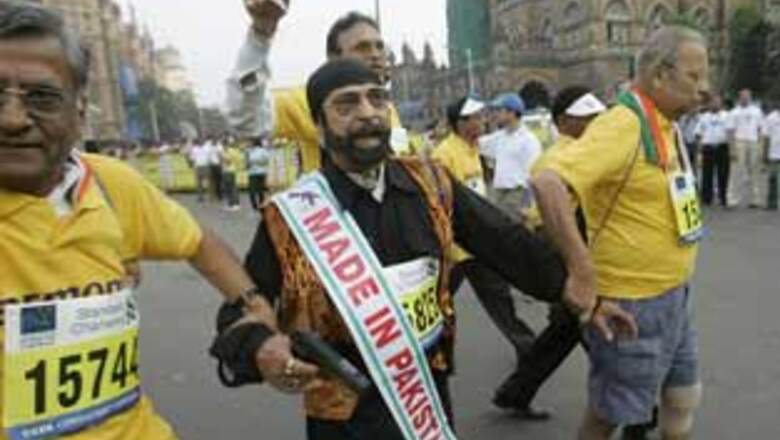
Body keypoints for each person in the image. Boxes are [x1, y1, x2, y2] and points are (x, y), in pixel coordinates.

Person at [209, 59, 633, 440]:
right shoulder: (291, 217)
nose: (367, 113)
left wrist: (585, 298)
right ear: (318, 127)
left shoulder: (432, 184)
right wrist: (259, 347)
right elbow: (244, 307)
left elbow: (507, 243)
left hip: (426, 400)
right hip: (342, 417)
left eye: (376, 99)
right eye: (347, 105)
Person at [0, 4, 271, 439]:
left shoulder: (110, 184)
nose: (13, 119)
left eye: (41, 97)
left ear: (80, 110)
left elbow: (198, 241)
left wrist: (256, 306)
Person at [532, 26, 708, 440]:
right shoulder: (623, 124)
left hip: (675, 294)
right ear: (660, 76)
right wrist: (582, 270)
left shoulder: (666, 123)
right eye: (695, 76)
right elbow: (548, 184)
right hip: (633, 304)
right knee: (610, 412)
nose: (704, 88)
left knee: (683, 396)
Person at [432, 96, 551, 418]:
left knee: (503, 307)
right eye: (474, 118)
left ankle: (526, 370)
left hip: (478, 248)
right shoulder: (445, 154)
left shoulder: (475, 149)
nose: (481, 122)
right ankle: (420, 374)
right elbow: (440, 206)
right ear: (459, 122)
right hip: (454, 252)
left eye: (483, 117)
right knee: (434, 311)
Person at [492, 86, 606, 416]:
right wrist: (574, 267)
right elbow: (549, 218)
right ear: (563, 121)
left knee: (564, 331)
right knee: (592, 329)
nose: (595, 123)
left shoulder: (584, 151)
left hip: (575, 253)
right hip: (568, 254)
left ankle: (516, 391)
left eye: (597, 117)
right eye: (587, 118)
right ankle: (634, 405)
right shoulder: (559, 158)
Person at [227, 0, 408, 178]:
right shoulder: (309, 99)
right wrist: (260, 37)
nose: (376, 55)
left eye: (379, 46)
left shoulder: (386, 108)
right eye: (362, 48)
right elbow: (246, 119)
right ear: (333, 58)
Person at [481, 92, 542, 222]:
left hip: (518, 194)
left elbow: (535, 170)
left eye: (499, 110)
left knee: (512, 230)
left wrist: (531, 201)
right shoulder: (500, 137)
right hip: (499, 193)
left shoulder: (528, 140)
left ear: (512, 113)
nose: (495, 114)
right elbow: (478, 145)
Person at [726, 88, 764, 208]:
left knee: (754, 171)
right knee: (736, 171)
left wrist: (760, 146)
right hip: (739, 141)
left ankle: (755, 199)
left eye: (747, 96)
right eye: (743, 96)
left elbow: (760, 129)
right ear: (739, 97)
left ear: (750, 97)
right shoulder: (734, 112)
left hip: (753, 141)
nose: (745, 98)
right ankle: (732, 199)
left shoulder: (757, 111)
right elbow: (730, 132)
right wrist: (732, 149)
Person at [695, 95, 731, 206]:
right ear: (709, 104)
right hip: (708, 147)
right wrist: (699, 148)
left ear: (721, 104)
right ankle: (707, 198)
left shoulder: (727, 116)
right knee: (707, 174)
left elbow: (731, 132)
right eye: (713, 102)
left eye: (717, 102)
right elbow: (698, 133)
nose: (715, 104)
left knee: (723, 173)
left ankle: (723, 197)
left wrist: (732, 148)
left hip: (722, 146)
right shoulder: (704, 117)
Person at [763, 103, 780, 210]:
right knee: (773, 178)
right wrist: (765, 153)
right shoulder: (770, 117)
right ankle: (772, 203)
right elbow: (766, 137)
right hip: (774, 152)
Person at [246, 136, 271, 210]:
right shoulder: (249, 151)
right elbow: (248, 162)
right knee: (252, 191)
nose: (249, 144)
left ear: (254, 143)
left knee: (260, 191)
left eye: (250, 142)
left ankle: (261, 204)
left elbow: (266, 160)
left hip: (260, 172)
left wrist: (256, 162)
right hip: (252, 173)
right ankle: (254, 206)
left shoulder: (262, 150)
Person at [222, 139, 244, 211]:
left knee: (232, 188)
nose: (223, 146)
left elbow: (229, 161)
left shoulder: (231, 151)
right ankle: (230, 204)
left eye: (224, 145)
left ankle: (236, 204)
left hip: (230, 171)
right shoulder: (225, 151)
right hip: (226, 171)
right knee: (228, 188)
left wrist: (223, 158)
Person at [206, 137, 225, 201]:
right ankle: (213, 196)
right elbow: (208, 156)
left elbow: (222, 156)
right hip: (212, 165)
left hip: (218, 165)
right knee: (212, 181)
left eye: (215, 140)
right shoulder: (209, 147)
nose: (213, 141)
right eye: (212, 140)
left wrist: (221, 164)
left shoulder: (219, 147)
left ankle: (220, 195)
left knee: (219, 181)